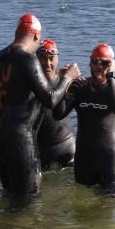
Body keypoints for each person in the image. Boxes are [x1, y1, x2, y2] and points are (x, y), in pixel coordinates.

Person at [0, 13, 77, 198]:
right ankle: (25, 227)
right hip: (19, 139)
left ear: (17, 32)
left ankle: (4, 227)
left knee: (9, 194)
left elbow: (15, 93)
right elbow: (51, 99)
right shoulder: (27, 59)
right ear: (36, 36)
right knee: (29, 199)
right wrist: (68, 78)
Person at [53, 42, 115, 196]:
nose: (99, 66)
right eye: (95, 61)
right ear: (89, 63)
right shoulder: (79, 87)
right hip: (83, 159)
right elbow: (58, 114)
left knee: (111, 204)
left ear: (112, 65)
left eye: (104, 63)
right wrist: (64, 81)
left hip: (109, 159)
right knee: (82, 211)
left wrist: (111, 77)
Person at [35, 38, 78, 169]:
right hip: (40, 153)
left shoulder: (67, 83)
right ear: (35, 60)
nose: (47, 63)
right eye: (42, 58)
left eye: (51, 58)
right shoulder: (30, 86)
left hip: (67, 149)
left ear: (57, 59)